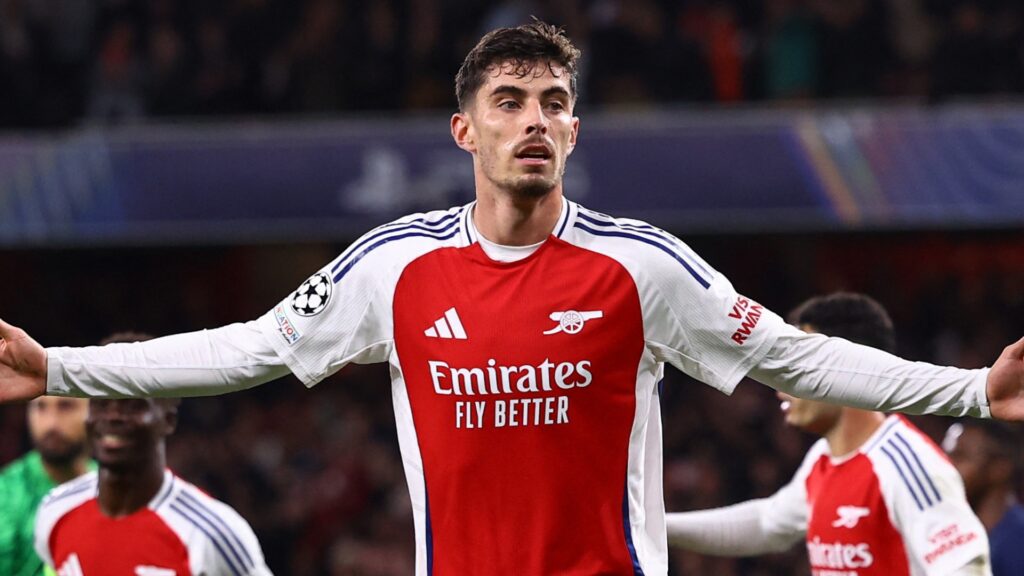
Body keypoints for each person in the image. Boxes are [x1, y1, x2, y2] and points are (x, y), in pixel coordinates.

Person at [1, 20, 1023, 576]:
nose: (533, 120)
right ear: (465, 132)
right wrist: (58, 366)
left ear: (573, 133)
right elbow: (245, 350)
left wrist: (973, 389)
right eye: (508, 103)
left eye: (553, 104)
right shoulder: (391, 268)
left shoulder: (643, 267)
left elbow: (798, 358)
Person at [665, 292, 992, 574]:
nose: (781, 388)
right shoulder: (823, 460)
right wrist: (652, 527)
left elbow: (965, 565)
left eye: (796, 369)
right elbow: (766, 523)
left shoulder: (906, 463)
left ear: (842, 369)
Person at [34, 332, 272, 575]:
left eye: (133, 405)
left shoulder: (212, 533)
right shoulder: (54, 510)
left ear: (168, 420)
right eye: (101, 403)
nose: (113, 416)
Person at [0, 396, 92, 576]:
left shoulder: (112, 490)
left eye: (66, 406)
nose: (51, 423)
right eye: (40, 407)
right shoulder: (6, 494)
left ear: (93, 412)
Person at [943, 419, 1024, 575]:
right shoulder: (947, 533)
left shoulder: (1019, 543)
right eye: (944, 455)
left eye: (959, 457)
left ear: (999, 469)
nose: (944, 466)